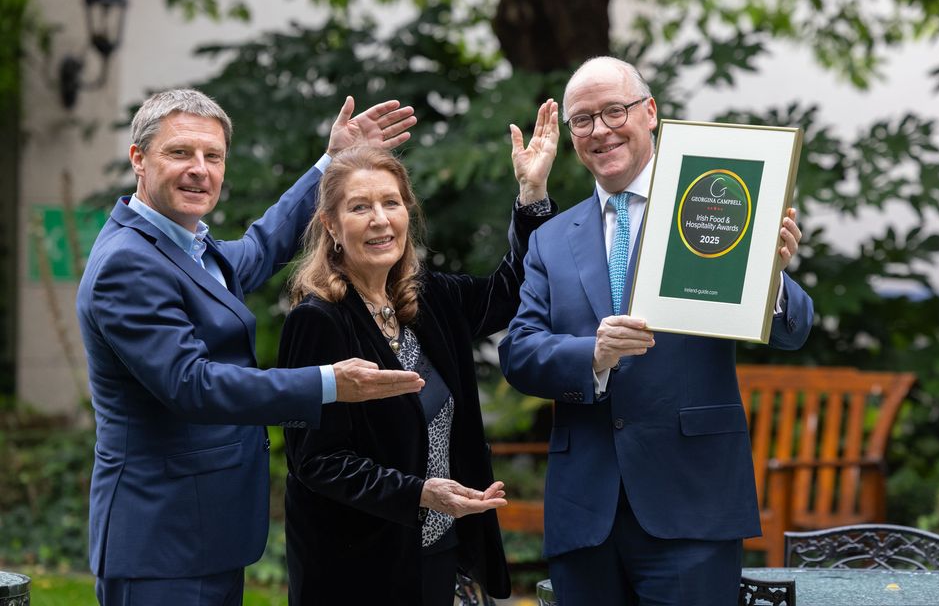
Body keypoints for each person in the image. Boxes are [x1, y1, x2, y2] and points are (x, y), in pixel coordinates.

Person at [76, 88, 425, 606]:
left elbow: (261, 246)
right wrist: (328, 383)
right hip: (162, 545)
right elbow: (191, 385)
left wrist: (332, 162)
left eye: (212, 156)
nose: (199, 169)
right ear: (138, 160)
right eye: (180, 153)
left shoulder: (187, 246)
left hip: (206, 535)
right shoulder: (128, 264)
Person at [498, 57, 815, 606]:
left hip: (692, 503)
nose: (600, 130)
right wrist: (592, 354)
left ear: (650, 114)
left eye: (614, 111)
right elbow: (519, 352)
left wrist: (771, 278)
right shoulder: (550, 238)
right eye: (583, 120)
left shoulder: (710, 208)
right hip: (584, 513)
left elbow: (794, 332)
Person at [277, 100, 560, 606]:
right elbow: (316, 461)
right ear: (332, 226)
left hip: (439, 553)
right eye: (360, 207)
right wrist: (419, 493)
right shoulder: (318, 322)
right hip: (357, 566)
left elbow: (512, 291)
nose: (380, 220)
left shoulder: (430, 298)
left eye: (391, 203)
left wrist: (532, 193)